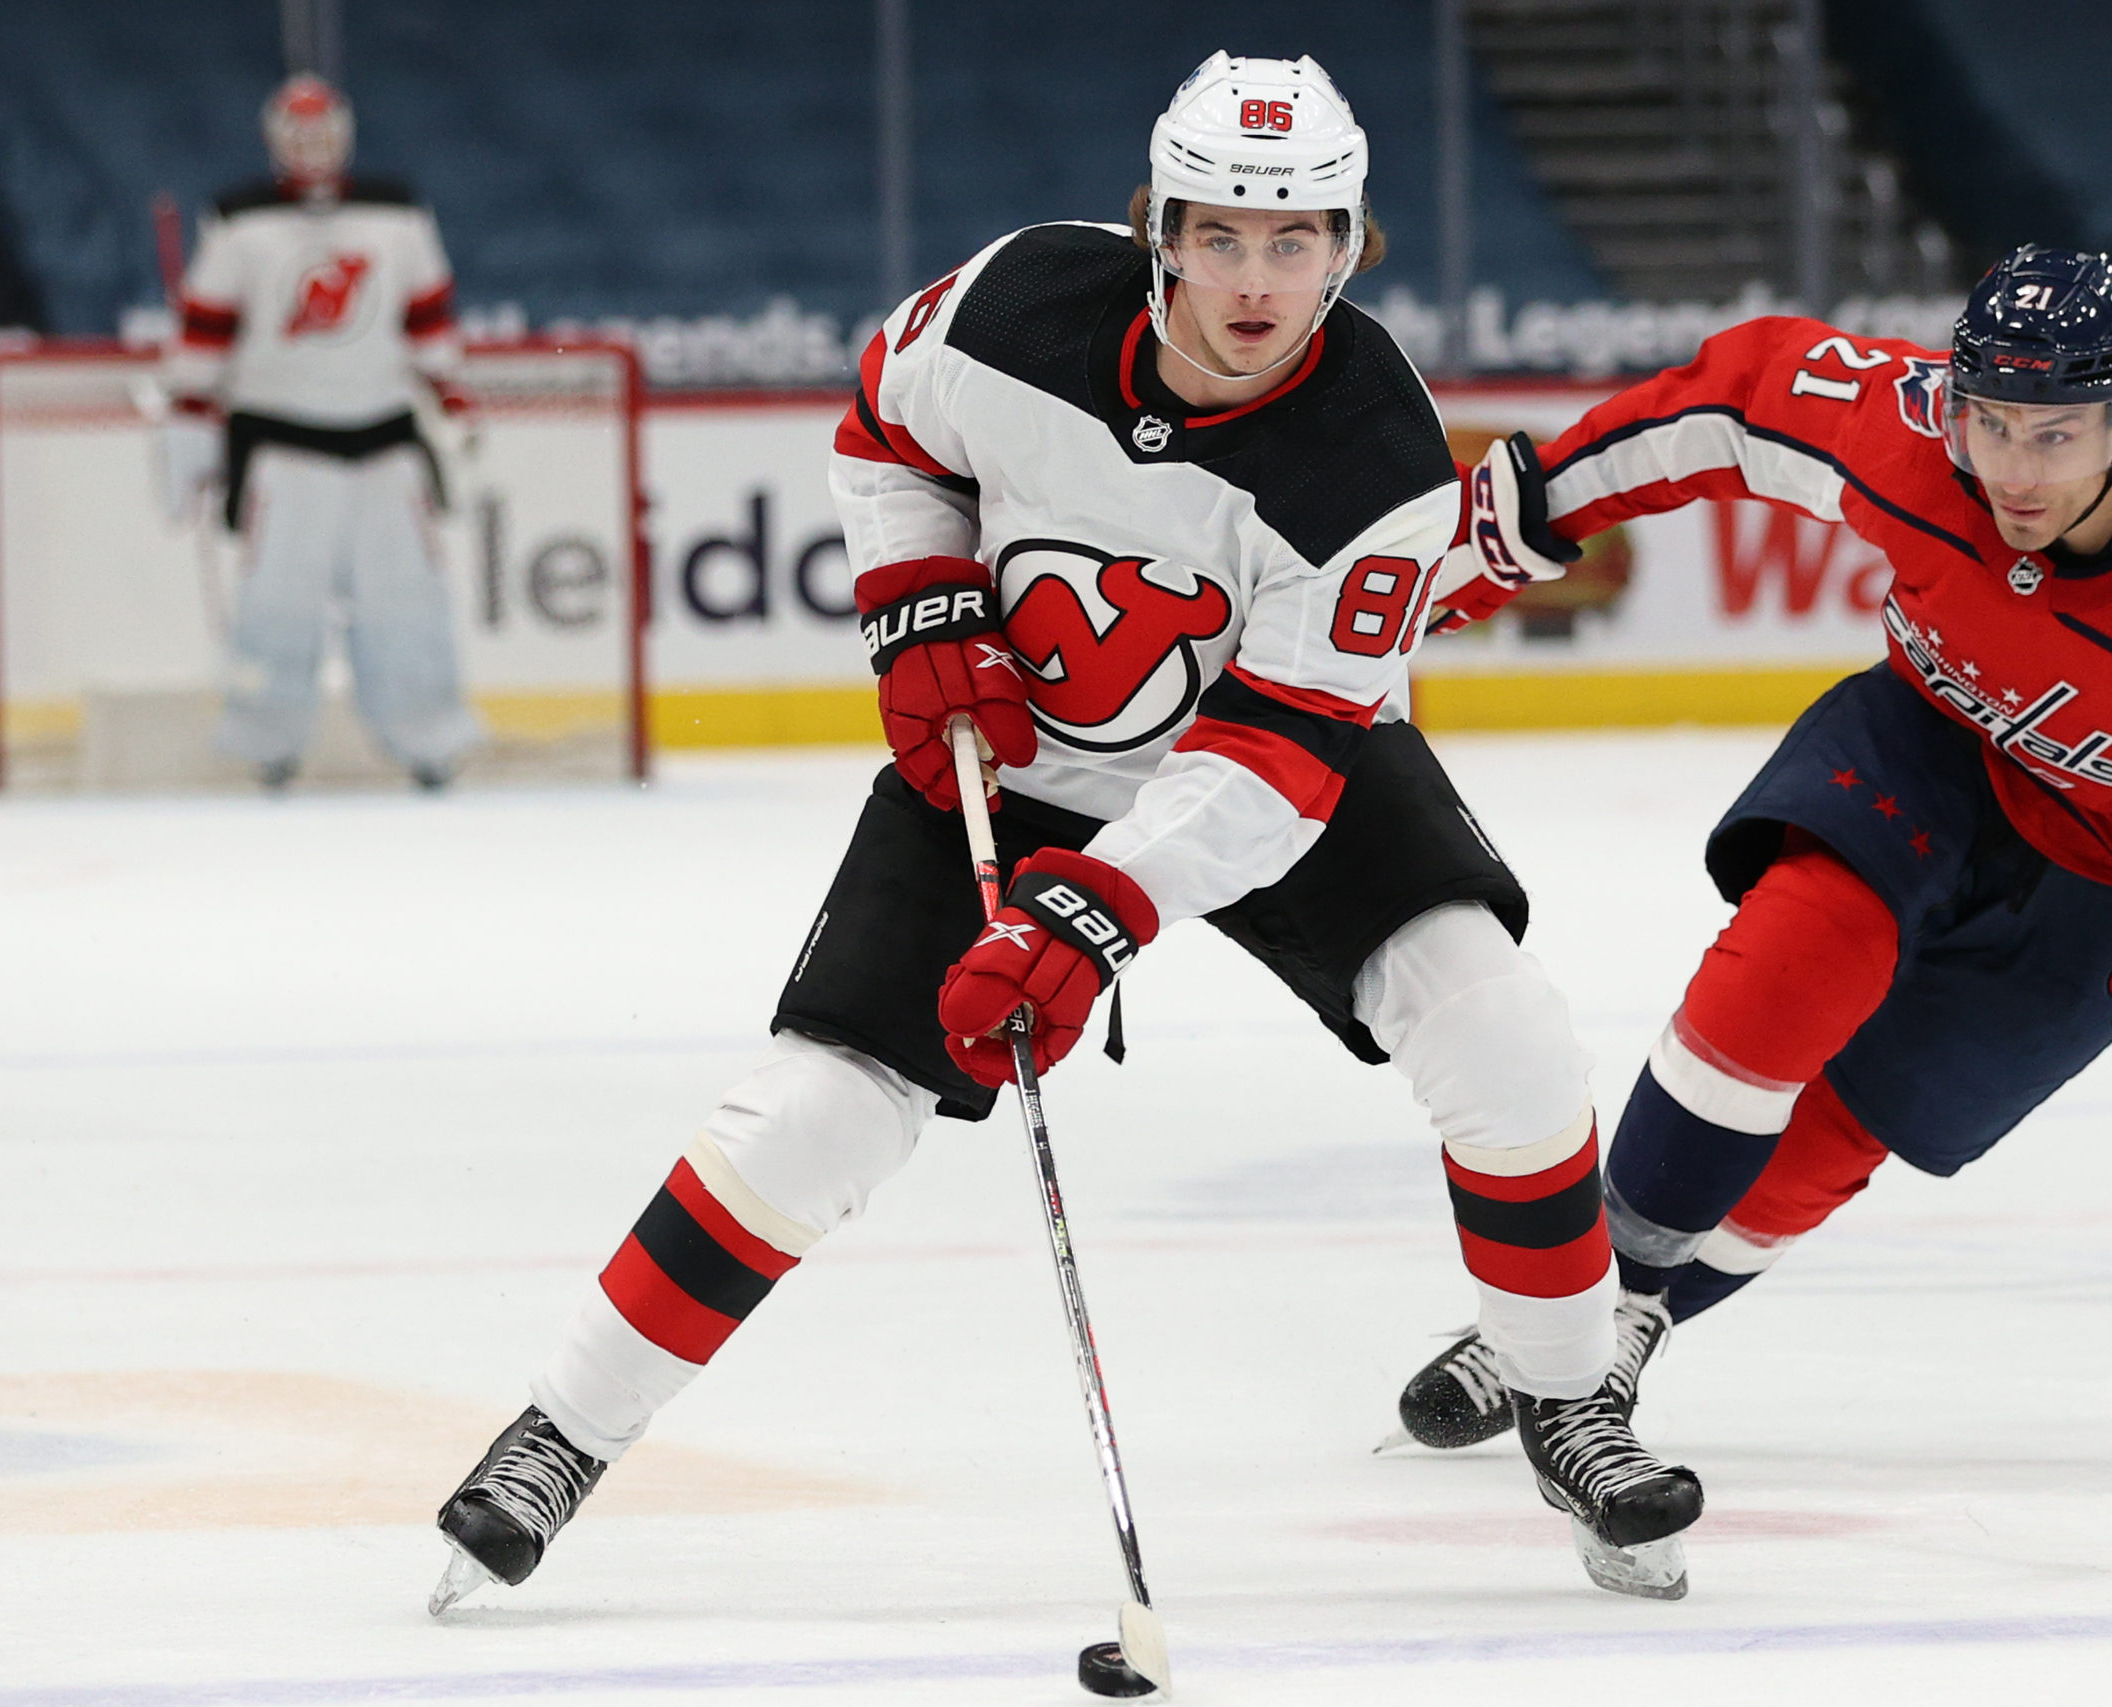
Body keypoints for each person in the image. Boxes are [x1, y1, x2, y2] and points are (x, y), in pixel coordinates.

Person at [430, 52, 1703, 1612]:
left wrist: (1095, 911)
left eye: (1295, 238)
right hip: (1013, 750)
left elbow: (1281, 754)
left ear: (1352, 245)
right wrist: (915, 602)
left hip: (1273, 758)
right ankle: (560, 1431)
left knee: (1499, 1026)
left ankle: (1567, 1387)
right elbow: (885, 433)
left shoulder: (1376, 456)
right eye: (1220, 234)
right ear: (1156, 226)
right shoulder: (1014, 301)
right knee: (818, 1114)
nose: (1254, 278)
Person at [1389, 247, 2112, 1456]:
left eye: (2056, 436)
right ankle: (1560, 1326)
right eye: (1990, 424)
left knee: (1856, 1119)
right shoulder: (1909, 432)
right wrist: (1527, 510)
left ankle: (1621, 1329)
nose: (2012, 471)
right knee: (1783, 965)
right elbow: (1731, 404)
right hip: (1930, 743)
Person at [162, 73, 480, 790]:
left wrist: (450, 394)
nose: (313, 147)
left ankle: (429, 738)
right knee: (277, 603)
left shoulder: (397, 211)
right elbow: (205, 332)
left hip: (386, 438)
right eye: (298, 134)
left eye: (325, 131)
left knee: (409, 597)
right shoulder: (238, 218)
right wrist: (187, 426)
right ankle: (267, 741)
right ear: (275, 140)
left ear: (348, 134)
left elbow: (427, 312)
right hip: (282, 444)